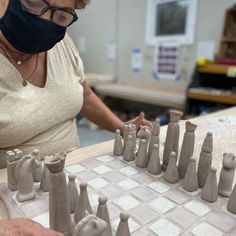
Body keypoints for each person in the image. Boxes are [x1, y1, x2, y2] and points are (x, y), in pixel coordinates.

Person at [0, 0, 152, 234]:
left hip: (73, 173)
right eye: (34, 3)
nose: (44, 21)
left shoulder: (62, 45)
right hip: (13, 193)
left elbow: (84, 94)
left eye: (61, 16)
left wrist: (121, 127)